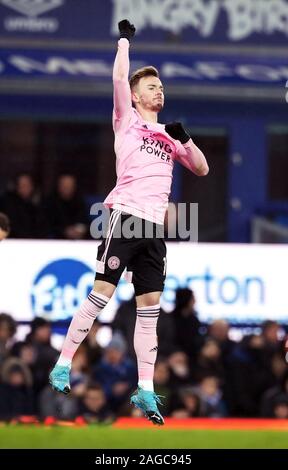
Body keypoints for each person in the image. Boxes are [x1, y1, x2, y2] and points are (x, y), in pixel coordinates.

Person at [49, 19, 208, 426]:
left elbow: (202, 169)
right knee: (102, 292)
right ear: (136, 97)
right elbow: (120, 75)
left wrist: (184, 138)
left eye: (161, 87)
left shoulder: (170, 136)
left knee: (150, 308)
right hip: (124, 216)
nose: (160, 91)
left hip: (154, 229)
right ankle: (63, 363)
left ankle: (146, 388)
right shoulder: (127, 121)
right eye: (152, 87)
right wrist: (125, 42)